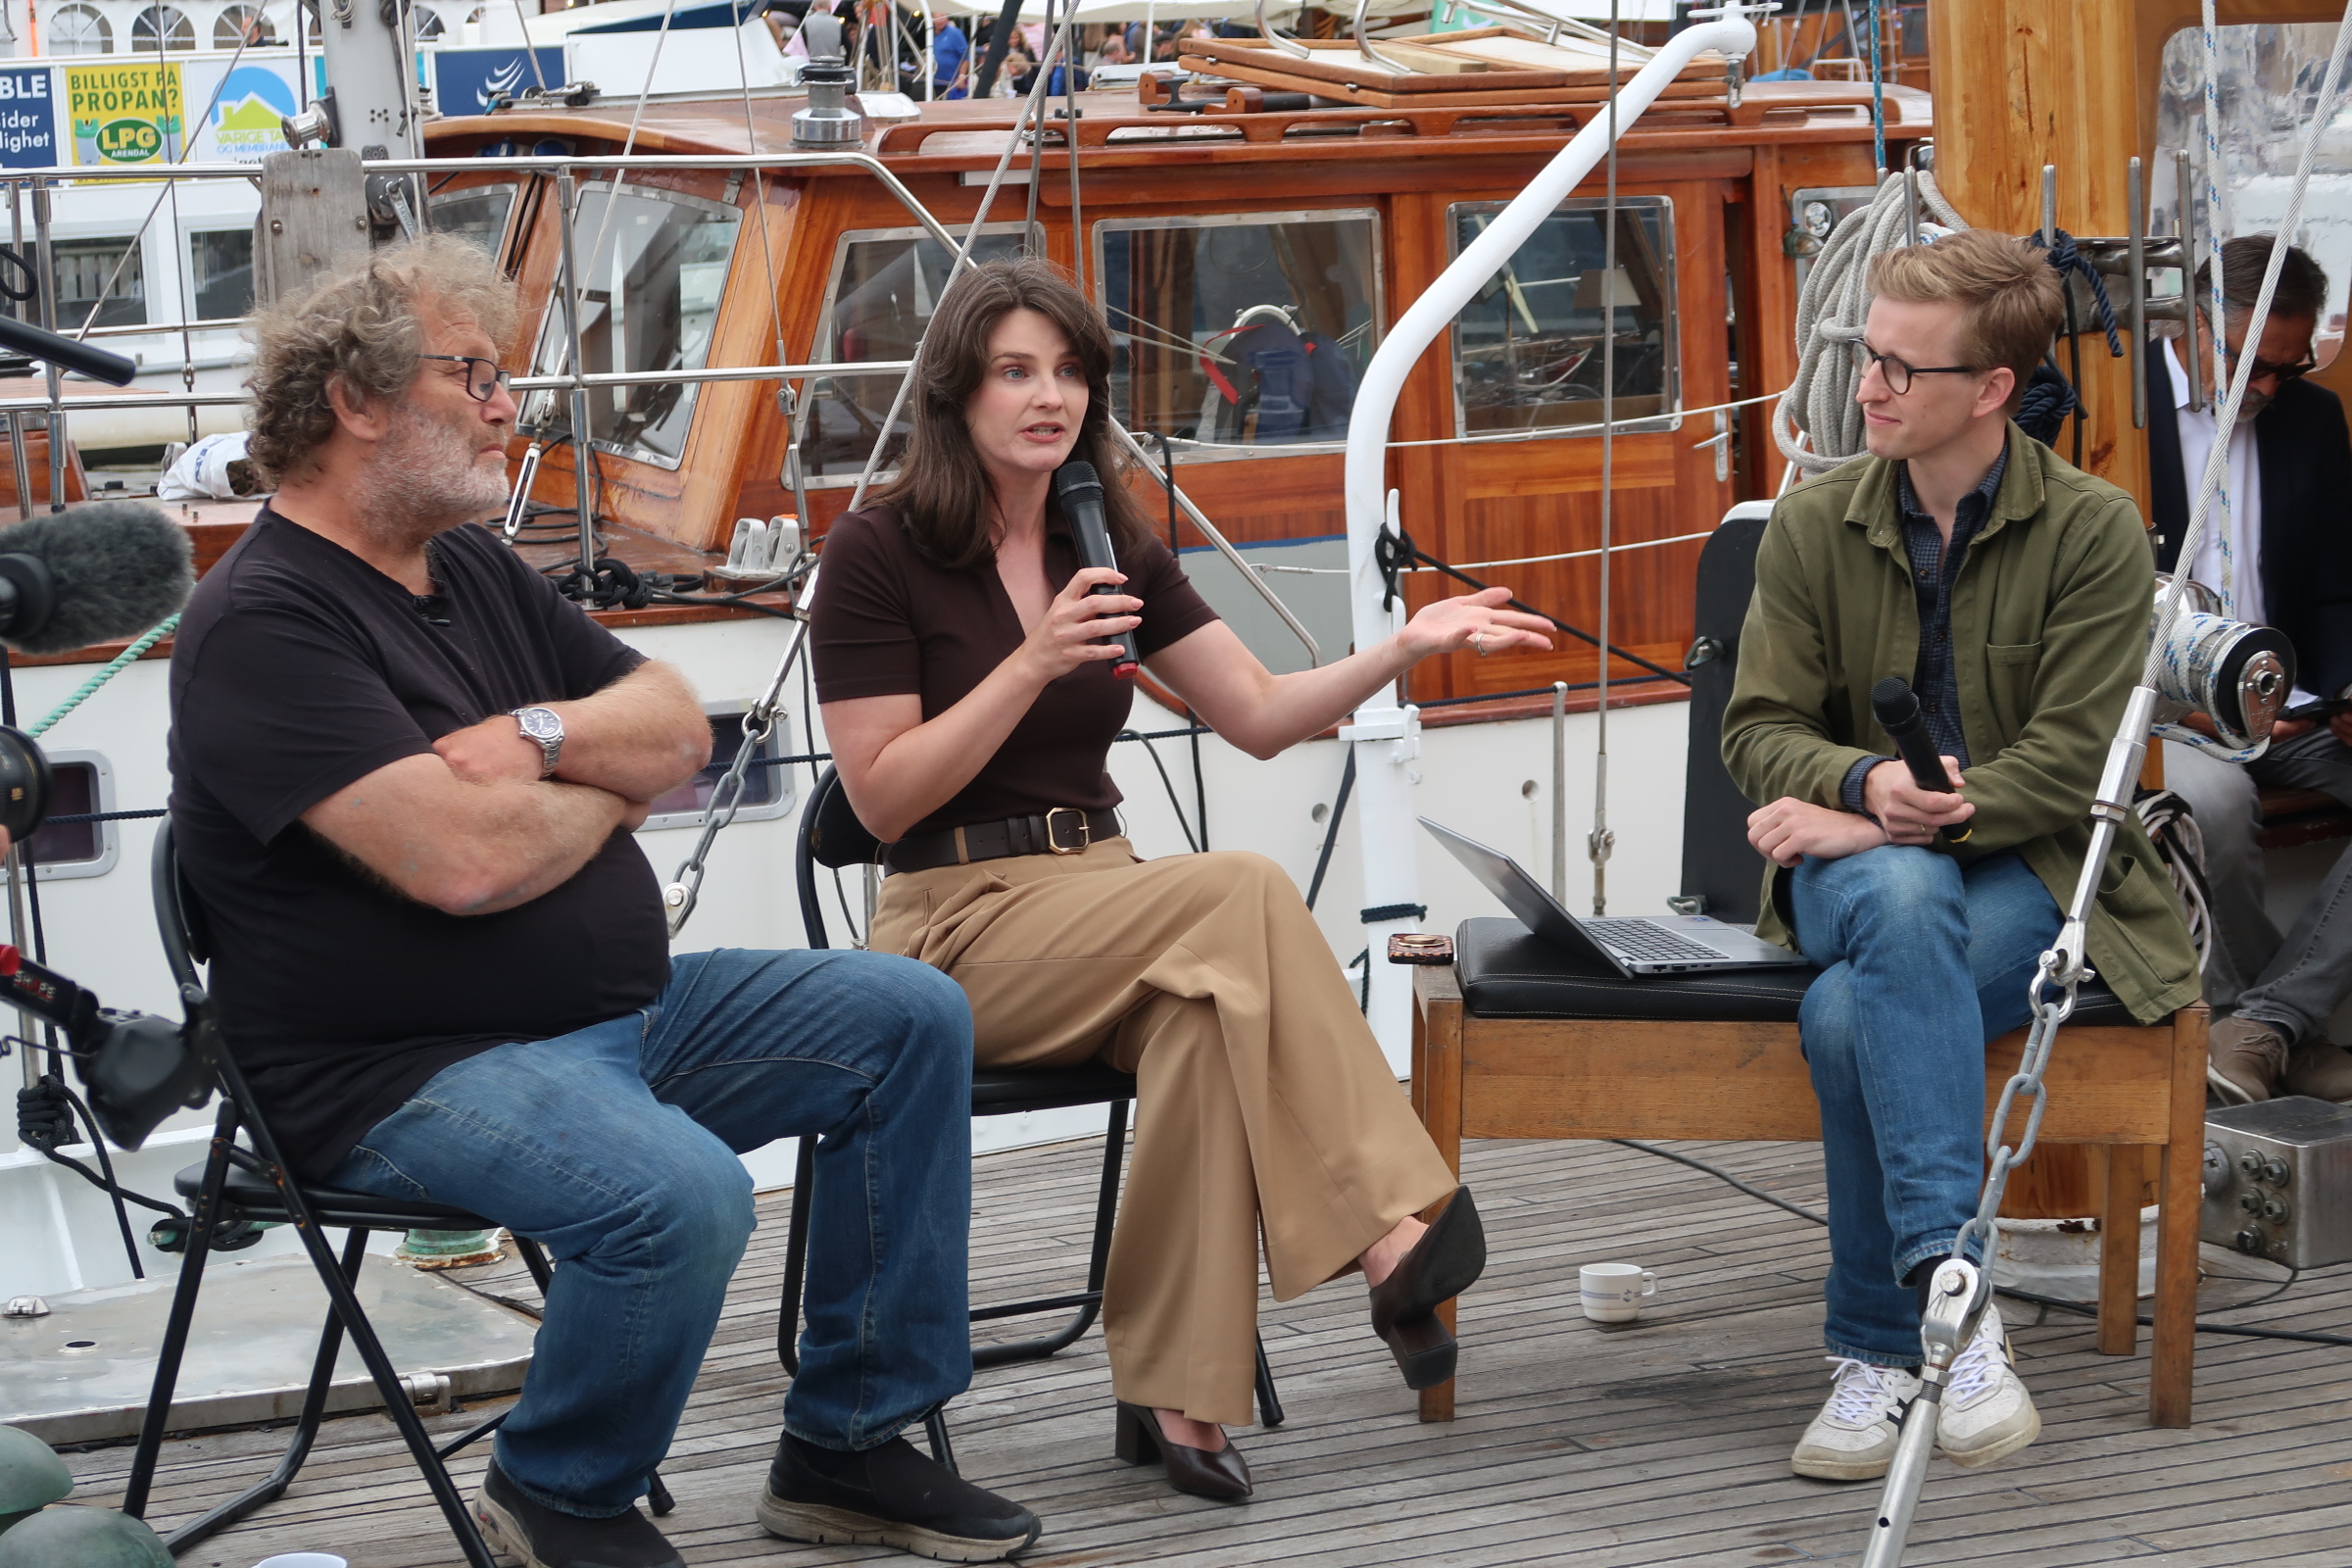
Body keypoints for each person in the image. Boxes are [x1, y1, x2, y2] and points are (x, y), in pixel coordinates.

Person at [169, 237, 1043, 1568]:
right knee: (678, 1194)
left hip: (619, 1023)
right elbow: (463, 862)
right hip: (397, 1078)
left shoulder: (470, 570)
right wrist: (607, 791)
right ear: (355, 402)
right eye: (474, 374)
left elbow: (676, 726)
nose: (506, 406)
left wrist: (544, 740)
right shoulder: (264, 622)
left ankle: (851, 1441)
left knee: (907, 1014)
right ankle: (561, 1492)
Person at [808, 257, 1550, 1500]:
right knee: (1242, 889)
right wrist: (1034, 661)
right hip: (950, 924)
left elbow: (1256, 714)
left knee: (1205, 1020)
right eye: (1014, 372)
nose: (1048, 397)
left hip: (1100, 898)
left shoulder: (1102, 536)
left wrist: (1405, 647)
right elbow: (882, 797)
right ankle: (1389, 1230)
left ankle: (1175, 1395)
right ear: (957, 391)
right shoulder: (879, 549)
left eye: (1068, 372)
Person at [1722, 228, 2200, 1484]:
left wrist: (1894, 816)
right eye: (1865, 355)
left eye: (1901, 367)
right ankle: (1957, 1293)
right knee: (1897, 889)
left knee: (1847, 1015)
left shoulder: (2095, 530)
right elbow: (1755, 730)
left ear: (1992, 388)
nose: (1867, 386)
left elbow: (2076, 762)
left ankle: (1880, 1349)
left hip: (2034, 875)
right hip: (1861, 872)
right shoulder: (1810, 524)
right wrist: (1865, 788)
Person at [2144, 236, 2352, 1104]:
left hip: (2290, 703)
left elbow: (2336, 589)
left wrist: (2344, 688)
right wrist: (2189, 709)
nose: (2266, 387)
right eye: (2250, 363)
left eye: (2287, 368)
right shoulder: (2119, 412)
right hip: (2159, 709)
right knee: (2213, 808)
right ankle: (2256, 1027)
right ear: (2191, 324)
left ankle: (2264, 1025)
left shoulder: (2311, 418)